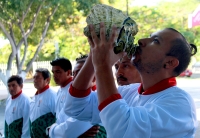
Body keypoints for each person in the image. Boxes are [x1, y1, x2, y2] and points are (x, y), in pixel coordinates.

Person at [65, 23, 198, 137]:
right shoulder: (129, 92)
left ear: (169, 63)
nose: (141, 41)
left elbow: (123, 131)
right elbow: (75, 107)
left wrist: (102, 64)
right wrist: (94, 55)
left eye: (155, 41)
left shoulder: (180, 103)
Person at [48, 57, 102, 138]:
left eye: (80, 73)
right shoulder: (65, 92)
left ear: (94, 75)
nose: (75, 78)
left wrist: (51, 129)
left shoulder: (97, 99)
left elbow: (67, 132)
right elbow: (60, 118)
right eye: (74, 73)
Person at [30, 68, 56, 138]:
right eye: (34, 77)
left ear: (47, 80)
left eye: (38, 77)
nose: (34, 80)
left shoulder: (52, 95)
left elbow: (58, 118)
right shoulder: (35, 96)